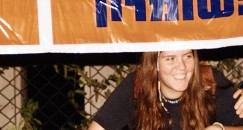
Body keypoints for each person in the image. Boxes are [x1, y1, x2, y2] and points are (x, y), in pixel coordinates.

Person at [88, 49, 243, 130]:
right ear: (155, 64)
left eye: (187, 56)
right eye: (170, 59)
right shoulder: (136, 86)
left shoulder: (209, 83)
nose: (181, 67)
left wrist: (220, 128)